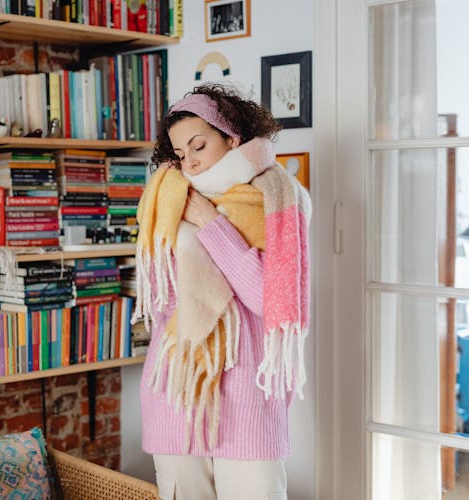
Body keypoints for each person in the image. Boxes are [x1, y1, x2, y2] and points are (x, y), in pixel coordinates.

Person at [133, 83, 311, 500]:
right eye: (180, 155)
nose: (190, 164)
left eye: (199, 146)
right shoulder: (166, 200)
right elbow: (164, 307)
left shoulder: (280, 199)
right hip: (176, 394)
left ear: (231, 137)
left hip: (249, 400)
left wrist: (212, 224)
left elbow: (269, 299)